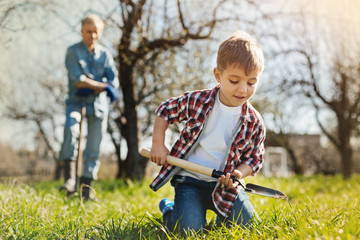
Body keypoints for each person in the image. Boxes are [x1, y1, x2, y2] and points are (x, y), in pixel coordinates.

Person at [149, 30, 265, 233]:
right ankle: (170, 210)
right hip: (190, 181)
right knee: (188, 231)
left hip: (224, 186)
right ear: (218, 76)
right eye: (234, 81)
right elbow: (165, 111)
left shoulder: (254, 121)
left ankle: (222, 217)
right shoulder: (198, 101)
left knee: (248, 227)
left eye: (251, 83)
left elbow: (255, 158)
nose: (243, 90)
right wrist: (158, 144)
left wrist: (239, 173)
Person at [59, 14, 119, 200]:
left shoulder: (105, 54)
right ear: (82, 31)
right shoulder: (72, 52)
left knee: (94, 146)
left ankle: (86, 188)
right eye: (88, 31)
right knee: (71, 130)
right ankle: (70, 180)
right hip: (77, 102)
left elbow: (113, 80)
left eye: (95, 32)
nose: (92, 35)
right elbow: (78, 80)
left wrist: (97, 85)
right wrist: (101, 86)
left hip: (99, 107)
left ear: (100, 33)